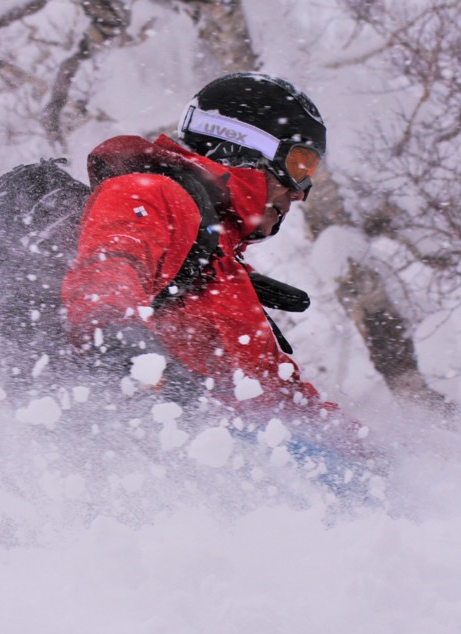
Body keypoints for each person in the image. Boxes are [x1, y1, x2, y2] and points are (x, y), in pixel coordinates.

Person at [62, 72, 355, 448]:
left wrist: (357, 448)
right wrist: (128, 345)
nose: (301, 193)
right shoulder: (152, 195)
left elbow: (279, 398)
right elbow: (108, 272)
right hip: (159, 452)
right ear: (241, 144)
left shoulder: (222, 268)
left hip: (236, 463)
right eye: (300, 166)